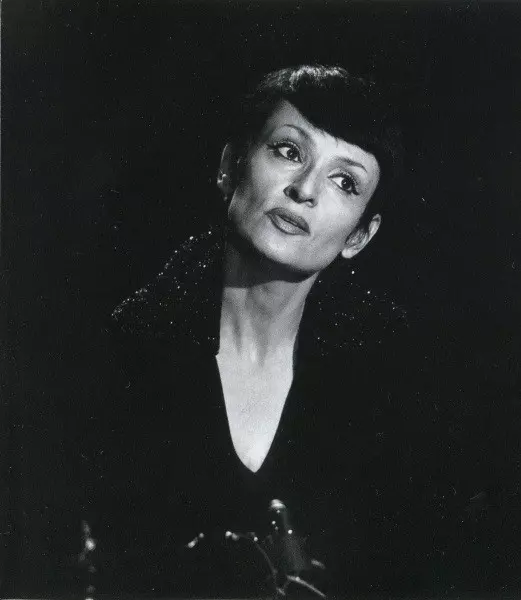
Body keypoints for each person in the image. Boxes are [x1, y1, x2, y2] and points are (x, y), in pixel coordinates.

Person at [79, 64, 407, 597]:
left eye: (344, 181)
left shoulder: (393, 393)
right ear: (230, 167)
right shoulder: (116, 353)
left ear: (359, 237)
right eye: (289, 151)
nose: (304, 190)